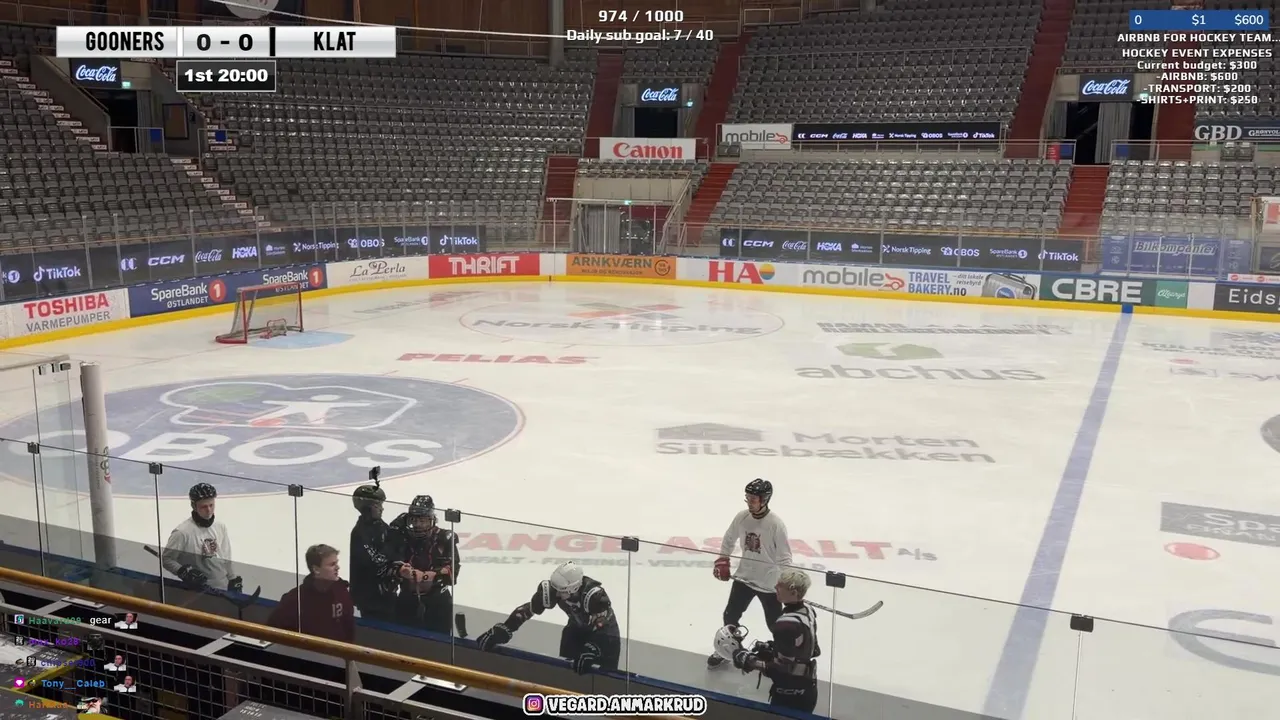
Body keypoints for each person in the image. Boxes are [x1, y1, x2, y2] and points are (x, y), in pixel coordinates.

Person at [476, 561, 620, 674]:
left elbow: (604, 628)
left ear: (574, 588)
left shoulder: (595, 598)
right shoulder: (555, 590)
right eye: (555, 588)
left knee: (606, 680)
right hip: (575, 631)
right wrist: (505, 628)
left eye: (561, 590)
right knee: (567, 675)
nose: (556, 594)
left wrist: (593, 648)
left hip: (606, 638)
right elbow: (529, 609)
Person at [707, 478, 792, 669]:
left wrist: (786, 583)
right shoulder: (742, 517)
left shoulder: (775, 524)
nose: (749, 502)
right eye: (748, 498)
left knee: (775, 625)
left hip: (768, 584)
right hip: (744, 578)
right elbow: (729, 538)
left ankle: (782, 657)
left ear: (765, 499)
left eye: (753, 499)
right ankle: (729, 651)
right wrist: (723, 559)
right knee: (730, 616)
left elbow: (785, 557)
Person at [713, 569, 820, 712]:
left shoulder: (786, 624)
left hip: (790, 693)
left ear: (793, 593)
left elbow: (782, 671)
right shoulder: (808, 610)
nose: (775, 587)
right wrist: (775, 648)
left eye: (780, 586)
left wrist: (748, 660)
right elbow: (812, 649)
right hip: (808, 687)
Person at [386, 495, 460, 634]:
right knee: (402, 640)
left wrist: (427, 576)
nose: (418, 525)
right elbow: (388, 563)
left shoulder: (444, 538)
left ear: (432, 520)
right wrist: (400, 571)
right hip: (407, 600)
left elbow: (453, 573)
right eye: (414, 520)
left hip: (438, 602)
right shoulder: (401, 537)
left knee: (439, 641)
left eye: (423, 521)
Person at [161, 483, 243, 592]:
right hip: (197, 591)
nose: (209, 510)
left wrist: (232, 578)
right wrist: (183, 572)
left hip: (223, 587)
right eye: (204, 506)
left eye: (211, 505)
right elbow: (167, 559)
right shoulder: (182, 532)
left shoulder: (220, 526)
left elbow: (226, 556)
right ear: (194, 506)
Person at [267, 544, 356, 643]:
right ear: (316, 569)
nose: (337, 567)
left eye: (337, 563)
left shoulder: (342, 592)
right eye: (332, 564)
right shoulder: (294, 600)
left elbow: (349, 629)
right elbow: (272, 631)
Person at [349, 484, 398, 622]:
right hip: (370, 598)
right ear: (366, 508)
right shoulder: (360, 532)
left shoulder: (381, 526)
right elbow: (377, 560)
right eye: (377, 505)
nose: (382, 508)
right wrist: (393, 545)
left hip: (386, 593)